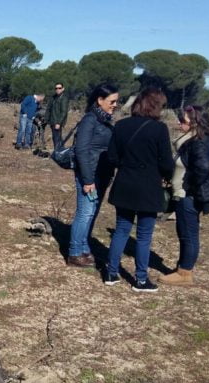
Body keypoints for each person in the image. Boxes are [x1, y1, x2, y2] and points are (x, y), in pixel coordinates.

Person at [105, 87, 175, 292]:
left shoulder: (121, 125)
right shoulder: (159, 129)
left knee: (121, 230)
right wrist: (166, 177)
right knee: (144, 236)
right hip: (148, 186)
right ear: (156, 107)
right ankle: (141, 280)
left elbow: (112, 157)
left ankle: (111, 272)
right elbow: (167, 164)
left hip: (125, 183)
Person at [159, 106, 209, 286]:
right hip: (184, 193)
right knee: (185, 232)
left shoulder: (198, 142)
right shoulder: (193, 140)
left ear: (195, 122)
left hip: (188, 195)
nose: (179, 123)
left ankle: (185, 273)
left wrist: (188, 186)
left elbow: (204, 167)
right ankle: (183, 267)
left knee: (188, 233)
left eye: (183, 121)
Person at [67, 84, 118, 267]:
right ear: (100, 100)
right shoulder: (90, 120)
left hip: (102, 175)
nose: (115, 104)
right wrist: (88, 180)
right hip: (90, 175)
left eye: (116, 101)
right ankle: (74, 252)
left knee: (92, 213)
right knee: (85, 212)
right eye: (112, 101)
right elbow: (81, 150)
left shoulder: (105, 120)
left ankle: (84, 247)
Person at [47, 82, 70, 149]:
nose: (57, 89)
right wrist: (47, 119)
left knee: (57, 138)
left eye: (59, 88)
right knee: (55, 137)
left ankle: (58, 152)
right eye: (56, 88)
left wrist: (59, 123)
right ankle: (59, 151)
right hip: (52, 121)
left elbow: (64, 112)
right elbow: (49, 108)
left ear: (63, 89)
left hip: (57, 122)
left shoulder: (64, 98)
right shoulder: (54, 97)